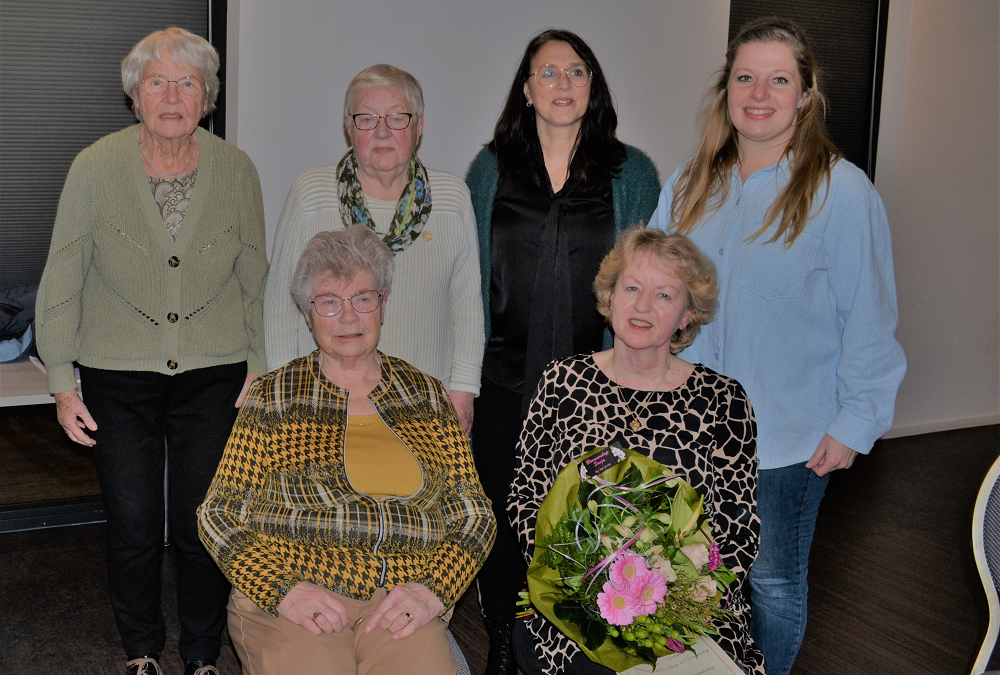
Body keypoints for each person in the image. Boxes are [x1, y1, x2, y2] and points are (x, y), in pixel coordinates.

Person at [648, 17, 907, 675]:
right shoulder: (689, 184)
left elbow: (869, 318)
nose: (759, 94)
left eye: (779, 80)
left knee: (770, 582)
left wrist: (855, 423)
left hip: (785, 441)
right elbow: (648, 291)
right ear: (726, 89)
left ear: (805, 95)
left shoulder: (842, 192)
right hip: (687, 429)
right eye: (745, 77)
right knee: (687, 575)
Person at [34, 27, 267, 675]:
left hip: (214, 374)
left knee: (201, 523)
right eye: (157, 82)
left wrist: (260, 363)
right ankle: (141, 651)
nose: (171, 96)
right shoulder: (94, 167)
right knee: (133, 520)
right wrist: (62, 382)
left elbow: (255, 274)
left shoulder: (236, 169)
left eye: (187, 83)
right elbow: (63, 276)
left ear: (207, 97)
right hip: (118, 374)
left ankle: (202, 655)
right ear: (134, 95)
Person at [198, 225, 496, 675]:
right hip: (298, 592)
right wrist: (283, 589)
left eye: (362, 298)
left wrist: (433, 590)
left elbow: (474, 514)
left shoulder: (427, 396)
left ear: (383, 303)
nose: (348, 317)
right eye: (329, 302)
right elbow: (219, 513)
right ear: (308, 313)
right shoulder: (274, 397)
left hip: (400, 599)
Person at [464, 29, 660, 673]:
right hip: (503, 380)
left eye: (576, 72)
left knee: (584, 519)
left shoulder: (631, 172)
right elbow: (468, 280)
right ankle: (502, 638)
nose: (563, 84)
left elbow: (647, 286)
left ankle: (575, 644)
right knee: (503, 517)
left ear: (592, 86)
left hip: (595, 386)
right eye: (548, 73)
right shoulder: (489, 169)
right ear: (526, 89)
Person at [509, 226, 765, 675]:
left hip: (687, 613)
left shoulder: (723, 401)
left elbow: (738, 526)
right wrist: (579, 584)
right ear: (610, 297)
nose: (643, 306)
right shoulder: (562, 382)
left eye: (664, 295)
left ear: (687, 315)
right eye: (632, 288)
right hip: (574, 606)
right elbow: (527, 497)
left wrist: (677, 602)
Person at [264, 64, 483, 435]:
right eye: (366, 119)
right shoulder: (311, 195)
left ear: (419, 126)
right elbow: (280, 305)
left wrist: (462, 391)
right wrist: (287, 397)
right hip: (323, 405)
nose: (382, 132)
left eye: (397, 118)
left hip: (424, 405)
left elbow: (467, 307)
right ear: (348, 127)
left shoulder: (452, 199)